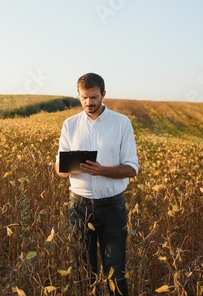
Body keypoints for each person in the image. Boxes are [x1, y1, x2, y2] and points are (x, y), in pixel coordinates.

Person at [55, 73, 139, 296]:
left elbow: (132, 168)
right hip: (79, 207)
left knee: (116, 271)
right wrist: (74, 165)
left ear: (103, 94)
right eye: (84, 97)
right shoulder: (69, 124)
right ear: (79, 94)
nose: (88, 103)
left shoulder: (122, 123)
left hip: (113, 208)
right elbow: (59, 170)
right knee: (84, 272)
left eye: (93, 97)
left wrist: (102, 171)